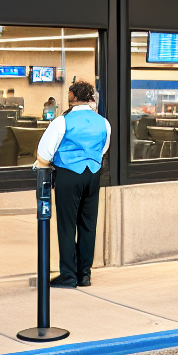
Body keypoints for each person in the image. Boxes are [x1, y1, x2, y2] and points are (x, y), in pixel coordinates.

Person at [34, 81, 110, 288]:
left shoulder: (62, 121)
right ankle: (84, 274)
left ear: (72, 96)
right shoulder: (103, 122)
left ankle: (68, 274)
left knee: (67, 226)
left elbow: (44, 153)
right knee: (88, 225)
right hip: (93, 174)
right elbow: (103, 149)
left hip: (68, 174)